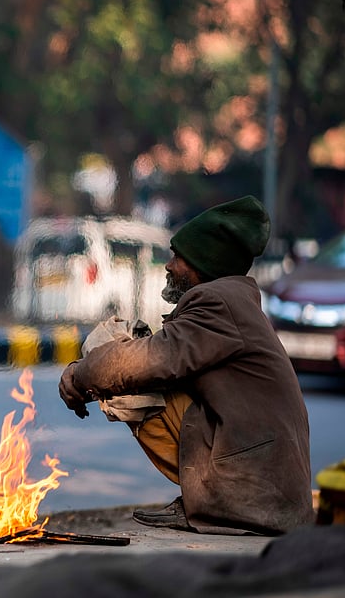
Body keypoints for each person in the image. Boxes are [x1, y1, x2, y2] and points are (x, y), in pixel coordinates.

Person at [58, 195, 314, 535]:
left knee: (121, 364)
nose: (169, 265)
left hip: (260, 494)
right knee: (126, 365)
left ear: (202, 264)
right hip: (267, 485)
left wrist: (79, 375)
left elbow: (149, 361)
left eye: (177, 257)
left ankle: (217, 503)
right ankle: (208, 500)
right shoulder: (233, 301)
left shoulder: (217, 303)